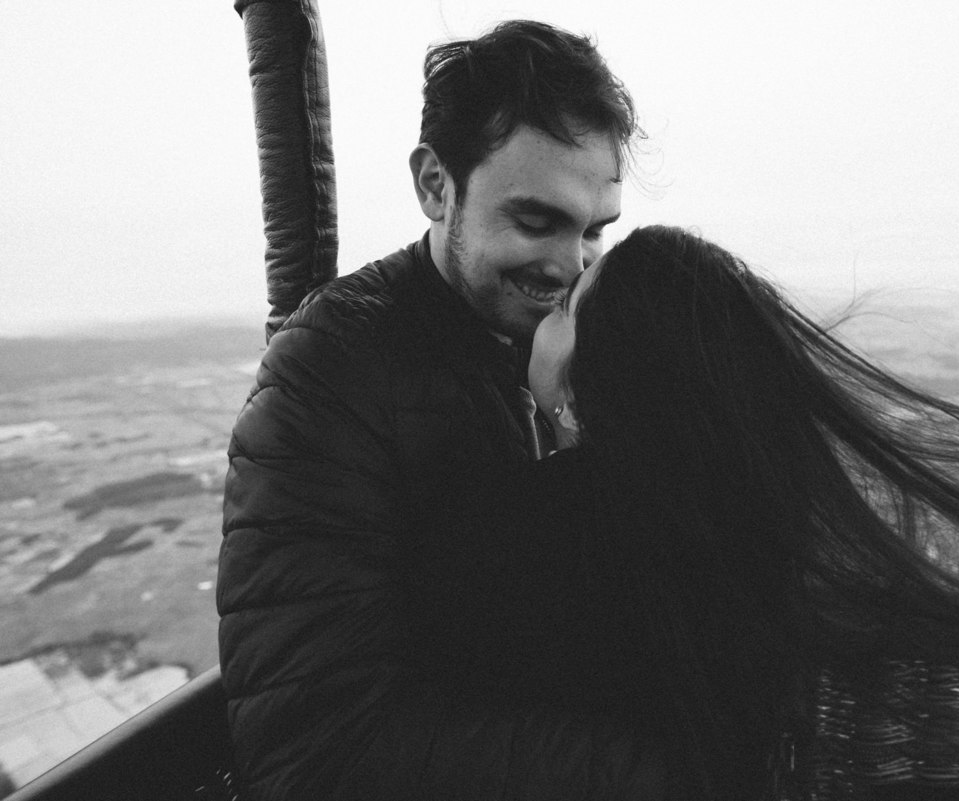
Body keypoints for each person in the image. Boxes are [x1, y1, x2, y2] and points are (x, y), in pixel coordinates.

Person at [420, 225, 959, 800]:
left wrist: (552, 423)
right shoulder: (742, 534)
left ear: (610, 366)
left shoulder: (510, 531)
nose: (550, 320)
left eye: (571, 309)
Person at [217, 20, 656, 801]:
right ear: (435, 186)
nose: (570, 265)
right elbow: (315, 753)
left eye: (593, 231)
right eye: (535, 221)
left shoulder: (576, 346)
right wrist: (655, 772)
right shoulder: (329, 375)